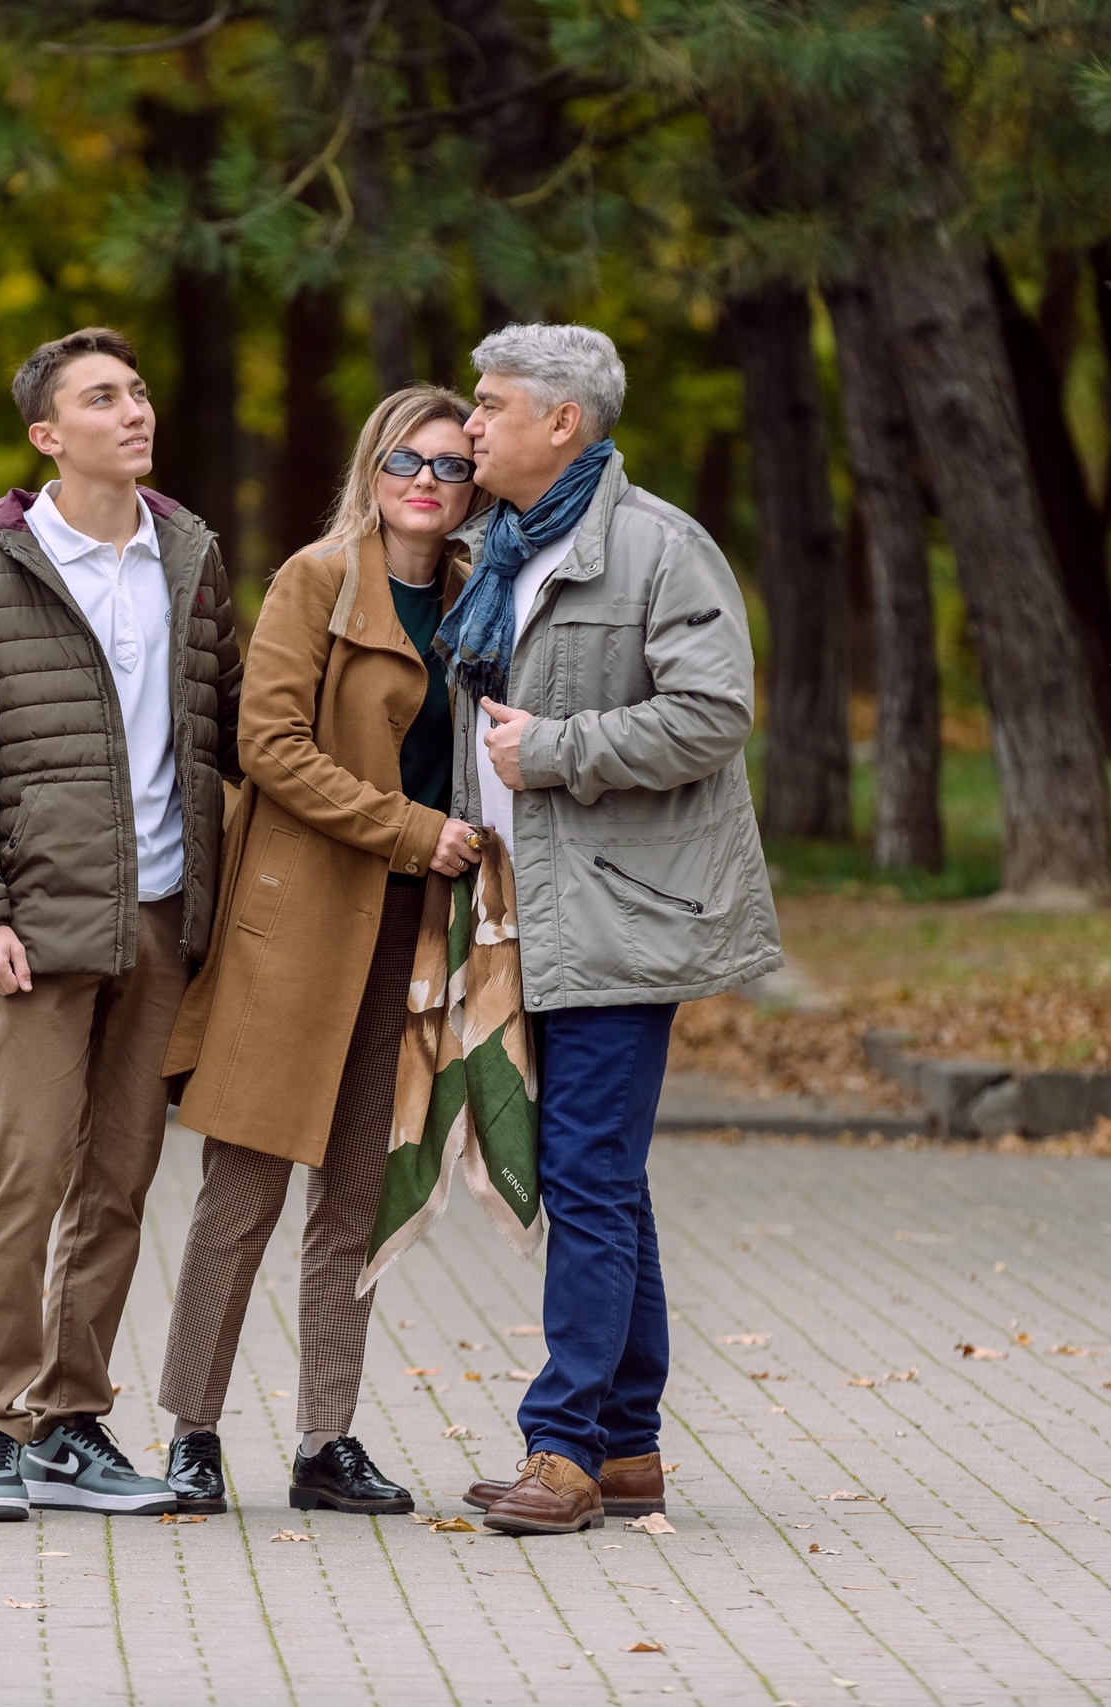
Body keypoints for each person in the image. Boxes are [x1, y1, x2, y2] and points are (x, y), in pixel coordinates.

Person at [438, 324, 783, 1537]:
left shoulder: (654, 548)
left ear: (563, 423)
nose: (469, 424)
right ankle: (626, 1447)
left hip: (621, 911)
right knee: (603, 1179)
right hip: (514, 908)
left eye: (491, 405)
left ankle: (561, 1447)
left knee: (583, 1174)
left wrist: (556, 753)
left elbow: (711, 713)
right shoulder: (498, 550)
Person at [0, 326, 242, 1522]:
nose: (133, 409)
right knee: (27, 1174)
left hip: (164, 918)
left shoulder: (191, 555)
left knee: (117, 1180)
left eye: (139, 389)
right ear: (47, 435)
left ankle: (68, 1419)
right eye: (101, 398)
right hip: (40, 930)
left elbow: (235, 726)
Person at [156, 386, 492, 1516]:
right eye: (410, 460)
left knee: (354, 1198)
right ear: (374, 463)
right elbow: (269, 745)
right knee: (240, 1192)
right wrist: (411, 830)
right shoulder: (318, 577)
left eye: (452, 467)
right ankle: (190, 1436)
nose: (428, 484)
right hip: (297, 927)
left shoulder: (473, 596)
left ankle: (323, 1444)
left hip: (412, 933)